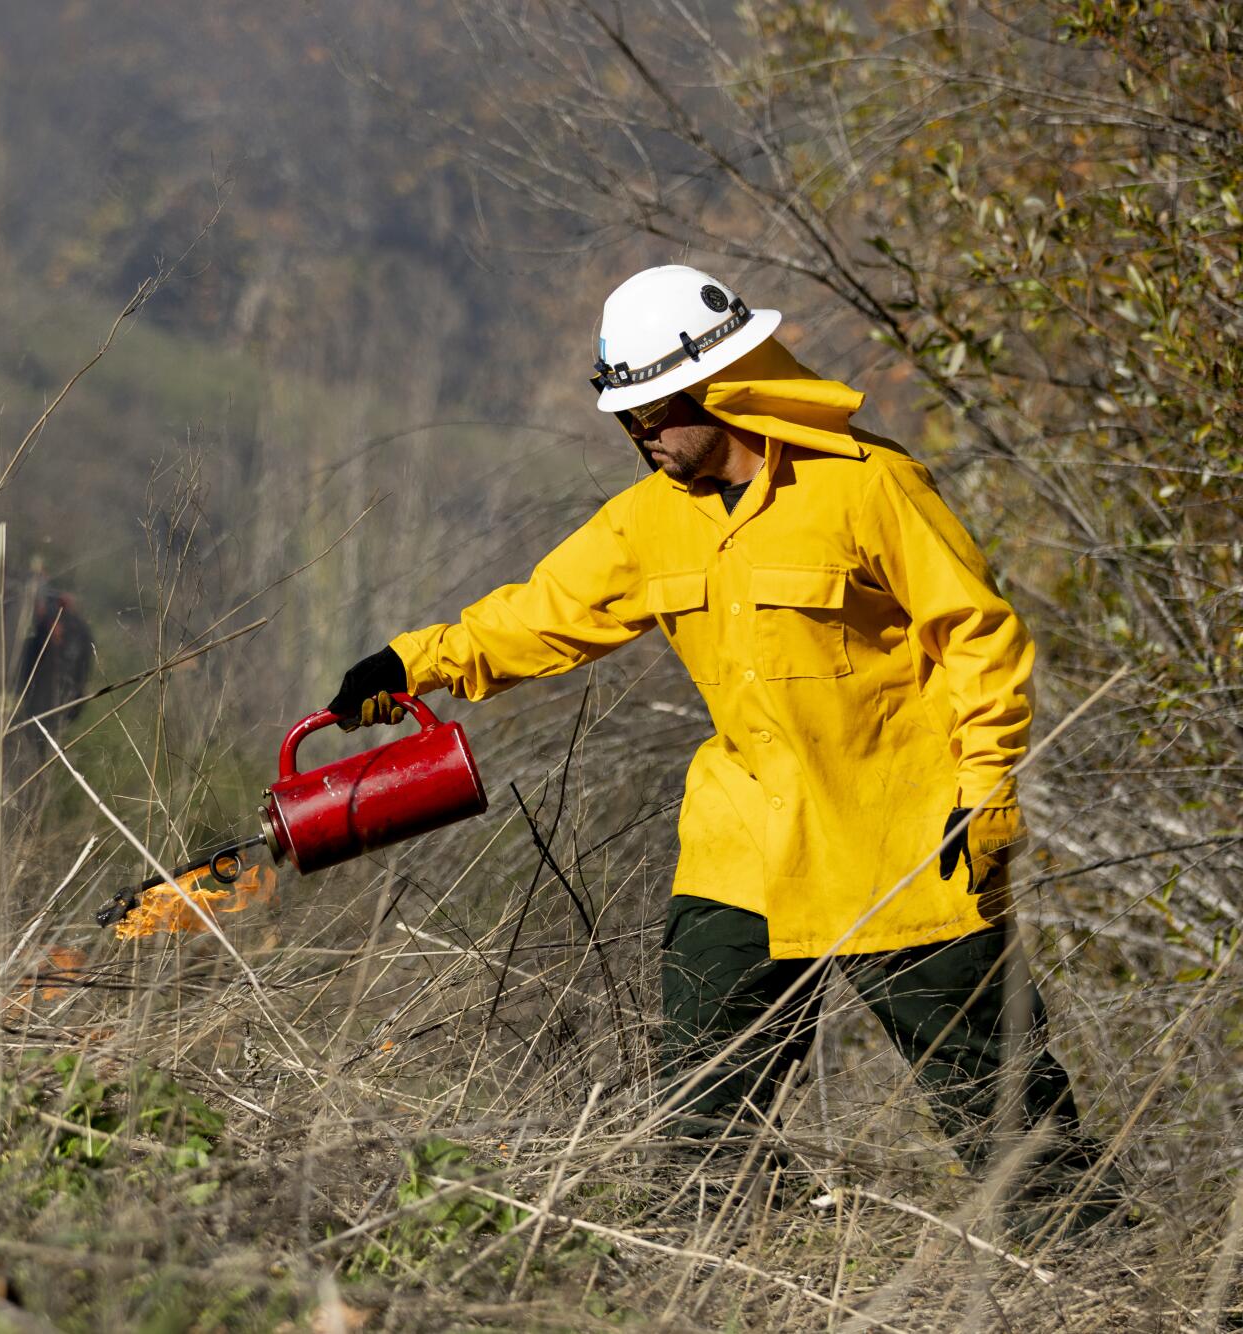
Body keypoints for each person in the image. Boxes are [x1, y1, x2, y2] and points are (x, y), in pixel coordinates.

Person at [328, 265, 1131, 1242]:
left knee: (1009, 1127)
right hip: (741, 846)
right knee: (703, 1117)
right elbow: (543, 613)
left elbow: (977, 638)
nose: (640, 433)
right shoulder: (646, 519)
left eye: (654, 410)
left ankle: (1104, 1285)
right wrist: (415, 660)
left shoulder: (868, 487)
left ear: (722, 385)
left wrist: (983, 788)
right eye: (623, 416)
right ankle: (720, 1282)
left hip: (909, 842)